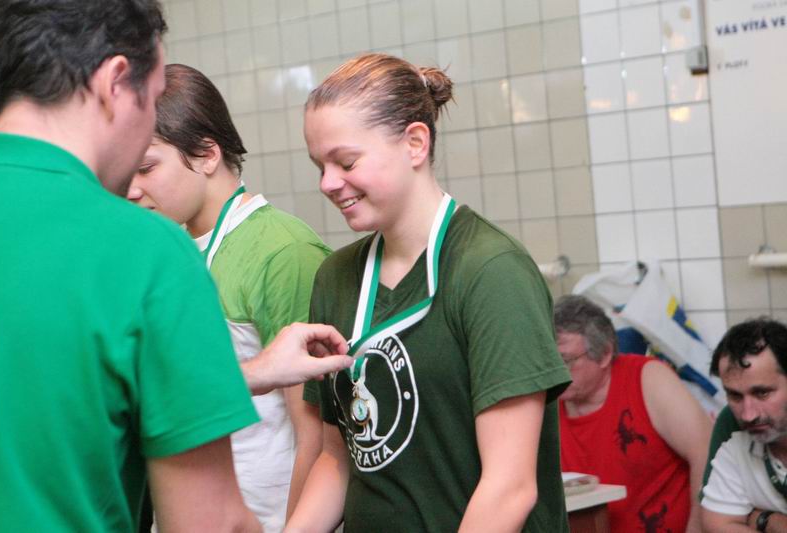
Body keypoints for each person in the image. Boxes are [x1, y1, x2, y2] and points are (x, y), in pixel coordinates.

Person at [0, 2, 349, 532]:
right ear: (115, 82)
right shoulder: (140, 250)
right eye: (153, 98)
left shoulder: (274, 248)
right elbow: (209, 522)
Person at [285, 53, 572, 532]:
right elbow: (338, 457)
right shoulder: (335, 278)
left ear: (415, 143)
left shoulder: (491, 271)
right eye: (320, 166)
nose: (328, 183)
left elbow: (510, 487)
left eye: (346, 161)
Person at [126, 63, 331, 530]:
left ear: (206, 154)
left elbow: (315, 436)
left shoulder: (282, 250)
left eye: (147, 168)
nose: (132, 190)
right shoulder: (172, 250)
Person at [554, 295, 711, 533]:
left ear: (604, 354)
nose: (554, 372)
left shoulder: (648, 379)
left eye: (565, 361)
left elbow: (706, 452)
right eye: (548, 360)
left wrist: (697, 529)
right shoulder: (546, 403)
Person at [701, 318, 787, 532]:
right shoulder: (733, 434)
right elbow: (718, 524)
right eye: (735, 396)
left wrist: (756, 517)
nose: (748, 416)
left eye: (762, 393)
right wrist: (771, 520)